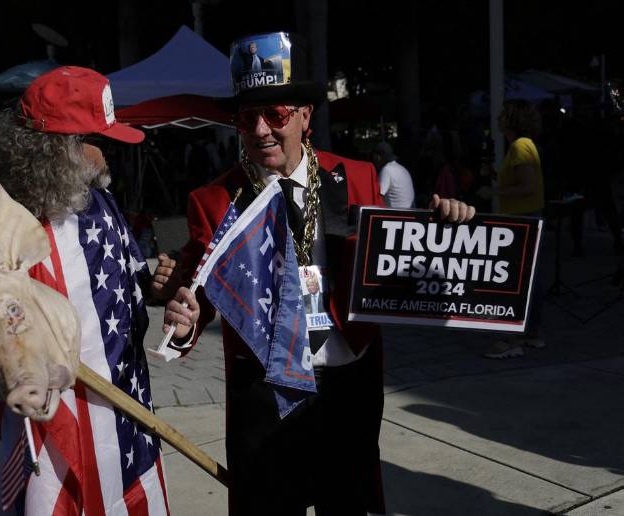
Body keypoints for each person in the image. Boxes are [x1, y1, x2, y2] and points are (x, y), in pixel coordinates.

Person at [162, 31, 475, 515]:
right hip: (265, 396)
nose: (262, 129)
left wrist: (446, 227)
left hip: (348, 384)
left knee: (348, 505)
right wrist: (183, 327)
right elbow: (197, 292)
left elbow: (404, 256)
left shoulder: (357, 177)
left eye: (277, 114)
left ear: (305, 116)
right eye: (248, 118)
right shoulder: (214, 199)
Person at [0, 67, 174, 514]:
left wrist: (156, 285)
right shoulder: (3, 241)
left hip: (128, 419)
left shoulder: (97, 199)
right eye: (99, 140)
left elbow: (128, 282)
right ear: (60, 150)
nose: (110, 153)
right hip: (64, 431)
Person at [484, 99, 547, 359]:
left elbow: (527, 186)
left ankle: (512, 340)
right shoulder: (522, 146)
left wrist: (494, 190)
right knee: (530, 278)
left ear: (511, 119)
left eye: (502, 115)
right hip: (525, 216)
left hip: (521, 219)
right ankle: (531, 334)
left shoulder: (521, 146)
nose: (497, 118)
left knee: (516, 280)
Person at [372, 141, 415, 209]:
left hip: (397, 215)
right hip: (411, 212)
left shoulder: (386, 170)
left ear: (378, 157)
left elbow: (378, 196)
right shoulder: (402, 168)